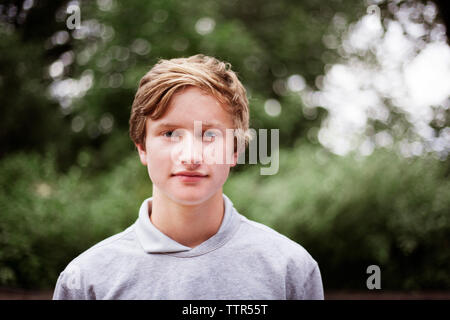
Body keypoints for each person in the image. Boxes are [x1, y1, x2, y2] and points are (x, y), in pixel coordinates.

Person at [53, 54, 324, 300]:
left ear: (235, 150)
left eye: (209, 135)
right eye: (170, 133)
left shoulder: (292, 271)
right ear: (142, 147)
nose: (191, 156)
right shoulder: (85, 282)